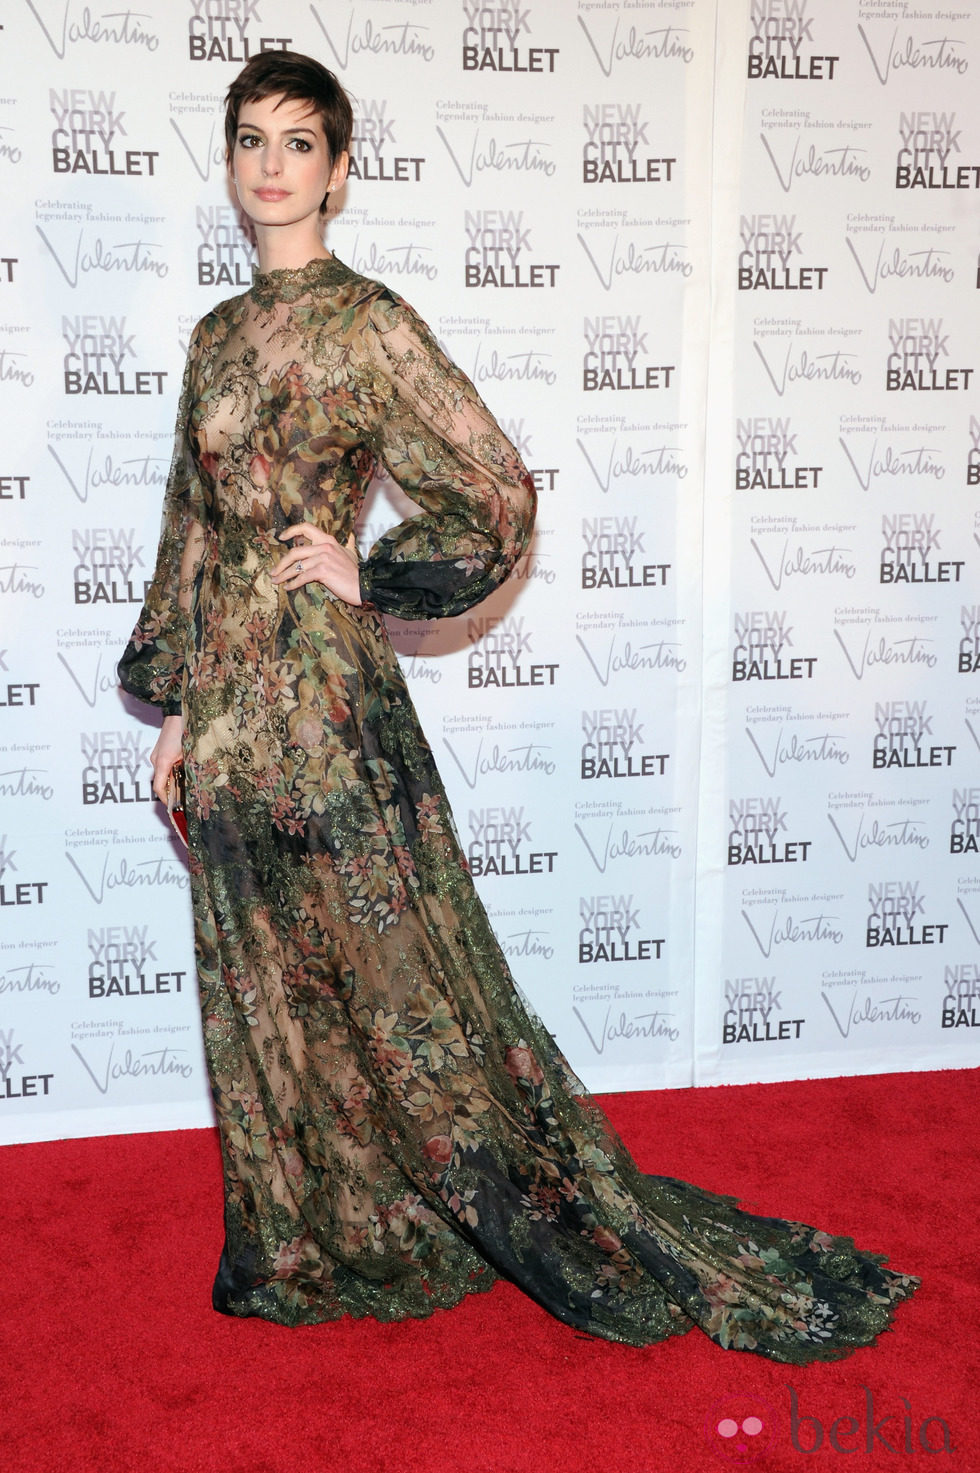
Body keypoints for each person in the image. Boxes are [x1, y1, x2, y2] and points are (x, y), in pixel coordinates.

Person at [119, 50, 918, 1361]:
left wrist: (362, 572)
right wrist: (177, 715)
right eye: (250, 139)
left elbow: (495, 492)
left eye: (299, 142)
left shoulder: (369, 323)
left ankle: (466, 1207)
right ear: (229, 162)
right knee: (263, 977)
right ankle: (301, 1240)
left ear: (339, 166)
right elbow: (191, 540)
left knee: (388, 978)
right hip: (234, 712)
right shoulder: (213, 340)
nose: (272, 165)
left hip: (324, 704)